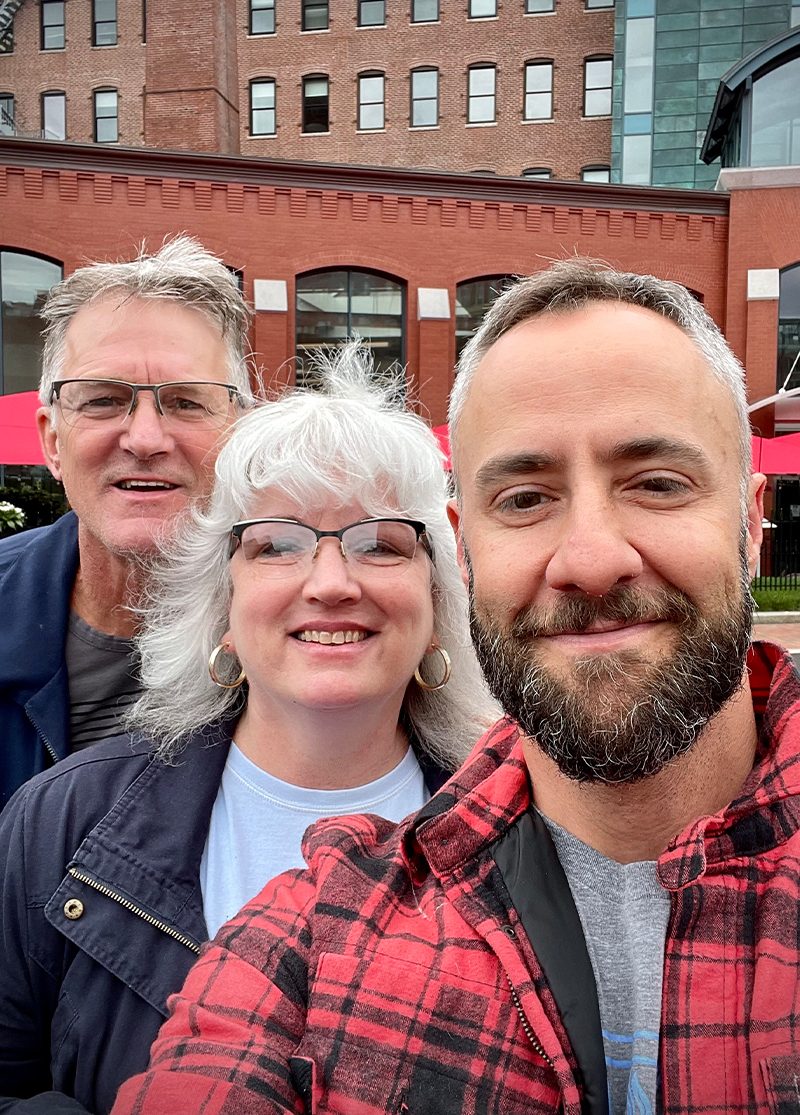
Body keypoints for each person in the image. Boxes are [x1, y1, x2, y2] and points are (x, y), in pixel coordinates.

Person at [113, 260, 800, 1115]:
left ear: (749, 516)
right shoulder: (315, 939)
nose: (588, 559)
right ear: (463, 548)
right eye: (524, 499)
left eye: (657, 484)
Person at [0, 346, 493, 1114]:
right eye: (278, 544)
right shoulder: (60, 823)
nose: (331, 583)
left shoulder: (520, 830)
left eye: (379, 543)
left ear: (437, 596)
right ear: (221, 603)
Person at [0, 236, 253, 808]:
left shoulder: (312, 624)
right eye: (102, 400)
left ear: (239, 432)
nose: (144, 439)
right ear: (52, 441)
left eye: (187, 402)